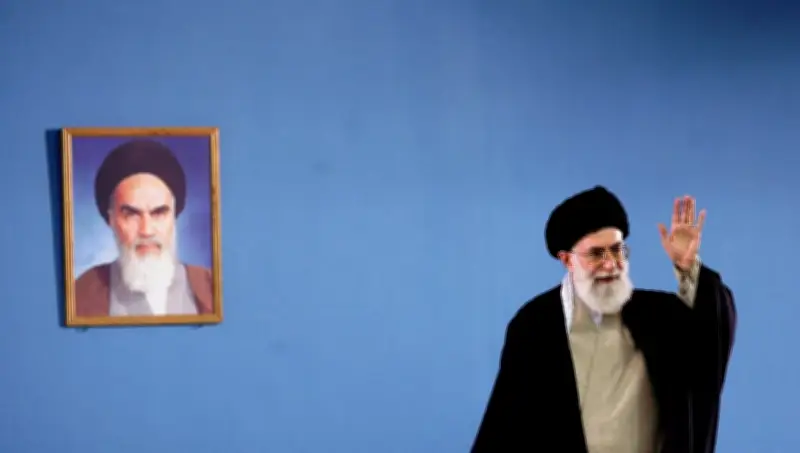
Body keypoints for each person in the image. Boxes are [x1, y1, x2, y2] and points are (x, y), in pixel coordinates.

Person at [470, 186, 737, 453]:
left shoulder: (656, 315)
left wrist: (688, 266)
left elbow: (710, 338)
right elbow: (505, 426)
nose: (610, 264)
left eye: (617, 250)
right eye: (596, 254)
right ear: (567, 260)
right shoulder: (535, 326)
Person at [74, 139, 213, 317]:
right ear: (111, 219)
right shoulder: (81, 294)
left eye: (159, 213)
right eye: (131, 214)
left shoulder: (211, 286)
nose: (146, 231)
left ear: (174, 216)